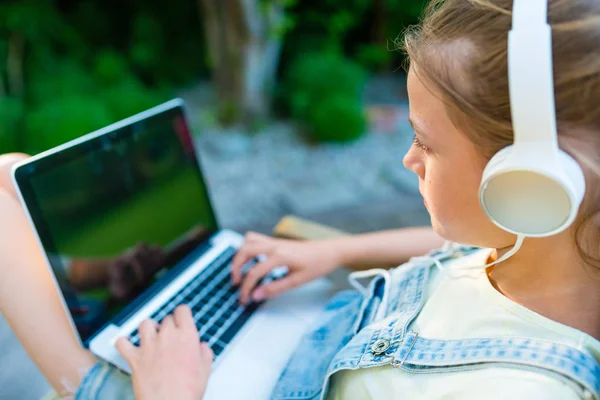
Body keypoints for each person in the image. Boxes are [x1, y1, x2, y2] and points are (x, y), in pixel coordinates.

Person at [1, 0, 599, 398]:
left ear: (529, 184)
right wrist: (335, 254)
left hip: (205, 386)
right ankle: (109, 274)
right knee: (16, 175)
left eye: (426, 143)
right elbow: (451, 248)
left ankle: (99, 290)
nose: (407, 160)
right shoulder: (541, 243)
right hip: (315, 326)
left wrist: (171, 390)